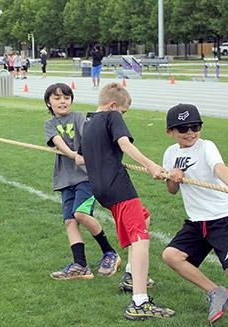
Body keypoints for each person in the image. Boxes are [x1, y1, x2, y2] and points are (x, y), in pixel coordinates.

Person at [76, 82, 174, 320]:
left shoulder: (87, 124)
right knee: (140, 237)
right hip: (118, 187)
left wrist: (103, 158)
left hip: (100, 190)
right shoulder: (112, 117)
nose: (123, 116)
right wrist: (150, 165)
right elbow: (124, 143)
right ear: (113, 105)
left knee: (144, 217)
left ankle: (131, 275)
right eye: (124, 112)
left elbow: (80, 160)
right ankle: (139, 302)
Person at [161, 104, 228, 327]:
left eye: (195, 127)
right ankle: (217, 292)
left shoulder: (206, 147)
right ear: (171, 132)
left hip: (223, 217)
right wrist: (173, 177)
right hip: (197, 221)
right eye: (183, 128)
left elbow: (219, 168)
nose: (190, 133)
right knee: (171, 255)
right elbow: (171, 190)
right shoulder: (170, 153)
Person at [44, 83, 120, 280]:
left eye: (66, 97)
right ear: (48, 103)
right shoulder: (49, 124)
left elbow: (89, 137)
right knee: (70, 221)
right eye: (57, 98)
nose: (62, 101)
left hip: (85, 177)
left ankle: (110, 252)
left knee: (81, 213)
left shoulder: (79, 117)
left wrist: (84, 155)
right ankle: (80, 264)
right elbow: (57, 141)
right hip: (64, 178)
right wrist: (73, 155)